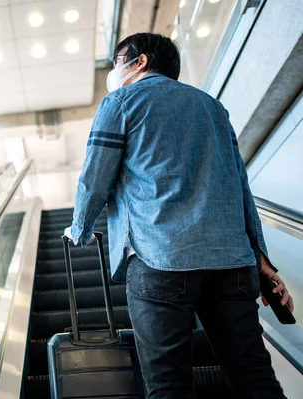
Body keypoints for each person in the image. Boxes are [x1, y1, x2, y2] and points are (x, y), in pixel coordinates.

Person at [63, 32, 294, 399]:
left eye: (119, 60)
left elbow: (95, 179)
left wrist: (80, 228)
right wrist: (260, 257)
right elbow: (239, 185)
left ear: (139, 62)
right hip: (232, 262)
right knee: (254, 377)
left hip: (160, 259)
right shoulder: (213, 107)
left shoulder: (120, 102)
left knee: (169, 386)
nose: (115, 69)